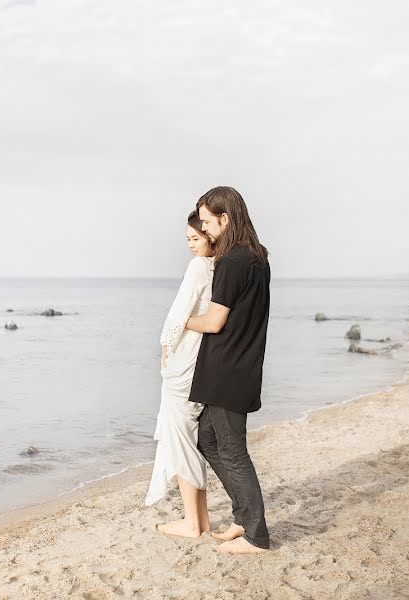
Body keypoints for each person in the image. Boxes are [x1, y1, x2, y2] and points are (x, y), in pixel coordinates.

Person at [184, 186, 271, 554]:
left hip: (227, 369)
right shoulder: (257, 257)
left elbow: (215, 321)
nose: (205, 230)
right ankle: (243, 517)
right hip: (240, 365)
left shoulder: (233, 261)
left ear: (226, 218)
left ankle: (256, 536)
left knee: (233, 450)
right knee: (208, 439)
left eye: (207, 222)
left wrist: (179, 321)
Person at [145, 210, 215, 539]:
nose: (190, 245)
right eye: (187, 239)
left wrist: (165, 350)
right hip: (202, 363)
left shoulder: (199, 267)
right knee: (188, 440)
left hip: (184, 363)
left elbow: (179, 313)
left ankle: (191, 522)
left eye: (196, 238)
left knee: (181, 440)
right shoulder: (220, 267)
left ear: (211, 235)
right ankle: (200, 520)